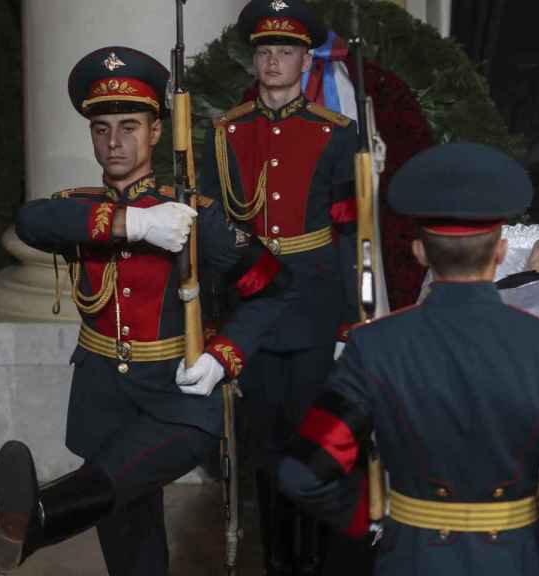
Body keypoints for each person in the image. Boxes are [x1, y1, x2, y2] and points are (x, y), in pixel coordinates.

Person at [0, 46, 292, 575]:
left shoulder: (196, 216)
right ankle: (37, 518)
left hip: (179, 393)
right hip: (103, 393)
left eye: (129, 126)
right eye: (101, 129)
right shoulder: (76, 209)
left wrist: (224, 354)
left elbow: (274, 288)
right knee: (130, 546)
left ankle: (38, 517)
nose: (114, 141)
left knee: (122, 476)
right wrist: (133, 224)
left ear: (155, 133)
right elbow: (33, 222)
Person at [275, 142, 539, 576]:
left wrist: (375, 517)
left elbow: (301, 473)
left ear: (420, 253)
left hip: (412, 557)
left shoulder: (374, 346)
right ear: (499, 251)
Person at [197, 0, 360, 573]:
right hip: (253, 304)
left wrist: (351, 318)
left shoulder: (335, 133)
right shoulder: (225, 132)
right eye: (265, 50)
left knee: (311, 441)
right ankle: (277, 563)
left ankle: (314, 561)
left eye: (286, 50)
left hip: (314, 302)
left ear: (304, 60)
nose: (273, 60)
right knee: (262, 446)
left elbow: (347, 230)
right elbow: (215, 234)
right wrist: (215, 320)